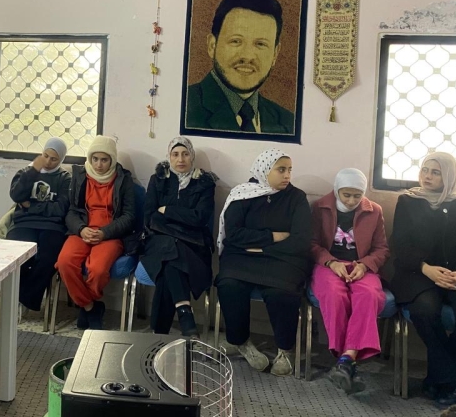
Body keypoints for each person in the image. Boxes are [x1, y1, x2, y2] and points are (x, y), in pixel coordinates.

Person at [215, 148, 311, 376]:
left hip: (282, 259)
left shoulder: (296, 198)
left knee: (282, 291)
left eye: (289, 170)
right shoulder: (242, 194)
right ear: (265, 169)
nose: (287, 175)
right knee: (229, 284)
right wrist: (273, 236)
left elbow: (301, 239)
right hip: (242, 257)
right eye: (281, 170)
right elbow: (234, 234)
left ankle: (285, 349)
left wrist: (262, 247)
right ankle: (240, 341)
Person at [390, 152, 456, 408]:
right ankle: (455, 378)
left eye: (436, 172)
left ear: (449, 176)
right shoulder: (408, 201)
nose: (427, 176)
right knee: (425, 310)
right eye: (425, 170)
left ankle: (441, 378)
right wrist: (425, 268)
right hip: (417, 273)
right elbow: (400, 245)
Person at [310, 168, 389, 394]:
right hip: (329, 265)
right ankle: (346, 360)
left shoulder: (374, 211)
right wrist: (331, 262)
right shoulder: (320, 207)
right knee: (334, 294)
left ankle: (347, 358)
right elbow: (311, 244)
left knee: (369, 295)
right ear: (336, 190)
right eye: (346, 195)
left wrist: (364, 265)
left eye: (357, 195)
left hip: (361, 266)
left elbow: (381, 249)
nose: (352, 201)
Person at [185, 0, 294, 134]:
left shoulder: (288, 122)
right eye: (236, 41)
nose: (247, 56)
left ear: (275, 54)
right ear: (212, 45)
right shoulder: (184, 107)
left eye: (260, 44)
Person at [56, 135, 136, 330]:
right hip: (82, 230)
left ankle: (87, 307)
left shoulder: (123, 180)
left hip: (110, 234)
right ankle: (91, 307)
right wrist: (81, 229)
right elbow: (72, 211)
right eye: (95, 159)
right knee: (65, 263)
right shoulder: (80, 176)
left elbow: (129, 217)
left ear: (112, 160)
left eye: (104, 160)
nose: (99, 165)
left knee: (98, 270)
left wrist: (104, 233)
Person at [141, 136, 216, 337]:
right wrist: (183, 217)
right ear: (169, 156)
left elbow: (200, 218)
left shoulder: (204, 183)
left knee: (169, 262)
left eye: (185, 154)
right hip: (158, 241)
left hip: (193, 244)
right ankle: (185, 315)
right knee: (170, 249)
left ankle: (159, 333)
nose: (180, 159)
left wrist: (168, 211)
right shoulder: (158, 180)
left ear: (192, 156)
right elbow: (150, 217)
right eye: (175, 154)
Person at [6, 138, 72, 313]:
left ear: (61, 159)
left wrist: (31, 206)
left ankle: (24, 299)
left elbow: (60, 209)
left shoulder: (65, 178)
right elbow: (16, 195)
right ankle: (18, 298)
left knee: (47, 258)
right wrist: (33, 171)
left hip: (52, 226)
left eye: (54, 159)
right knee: (17, 256)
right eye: (45, 156)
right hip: (24, 223)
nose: (48, 162)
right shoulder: (26, 172)